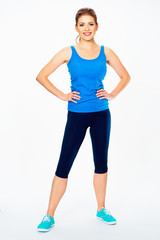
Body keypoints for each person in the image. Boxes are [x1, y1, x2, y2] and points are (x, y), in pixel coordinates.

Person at [36, 7, 131, 232]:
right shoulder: (67, 52)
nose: (86, 28)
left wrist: (112, 94)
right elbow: (41, 76)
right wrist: (63, 96)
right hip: (77, 114)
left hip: (101, 114)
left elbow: (125, 76)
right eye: (82, 24)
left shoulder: (106, 52)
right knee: (64, 165)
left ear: (96, 26)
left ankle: (101, 208)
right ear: (76, 28)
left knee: (101, 163)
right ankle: (49, 215)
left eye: (90, 24)